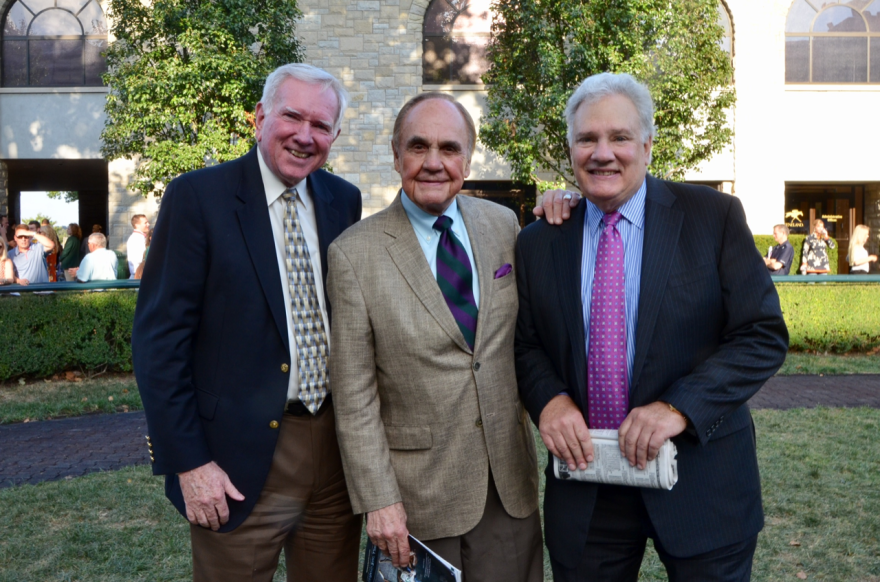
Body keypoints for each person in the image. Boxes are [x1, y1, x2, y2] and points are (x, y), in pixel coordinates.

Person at [515, 73, 788, 582]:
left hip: (701, 482)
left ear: (647, 143)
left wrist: (677, 407)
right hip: (589, 484)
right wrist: (548, 399)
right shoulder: (540, 240)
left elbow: (761, 335)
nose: (602, 153)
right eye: (587, 139)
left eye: (618, 137)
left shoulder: (714, 216)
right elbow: (527, 343)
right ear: (570, 148)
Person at [132, 63, 363, 582]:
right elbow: (158, 343)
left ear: (336, 135)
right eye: (292, 117)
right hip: (235, 458)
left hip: (334, 452)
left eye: (321, 125)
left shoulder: (343, 201)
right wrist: (189, 463)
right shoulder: (198, 197)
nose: (305, 136)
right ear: (259, 117)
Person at [328, 93, 543, 582]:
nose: (433, 163)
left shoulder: (503, 224)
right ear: (396, 154)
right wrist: (380, 501)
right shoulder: (354, 253)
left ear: (468, 158)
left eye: (449, 148)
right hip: (418, 498)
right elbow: (354, 395)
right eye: (418, 147)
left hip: (508, 486)